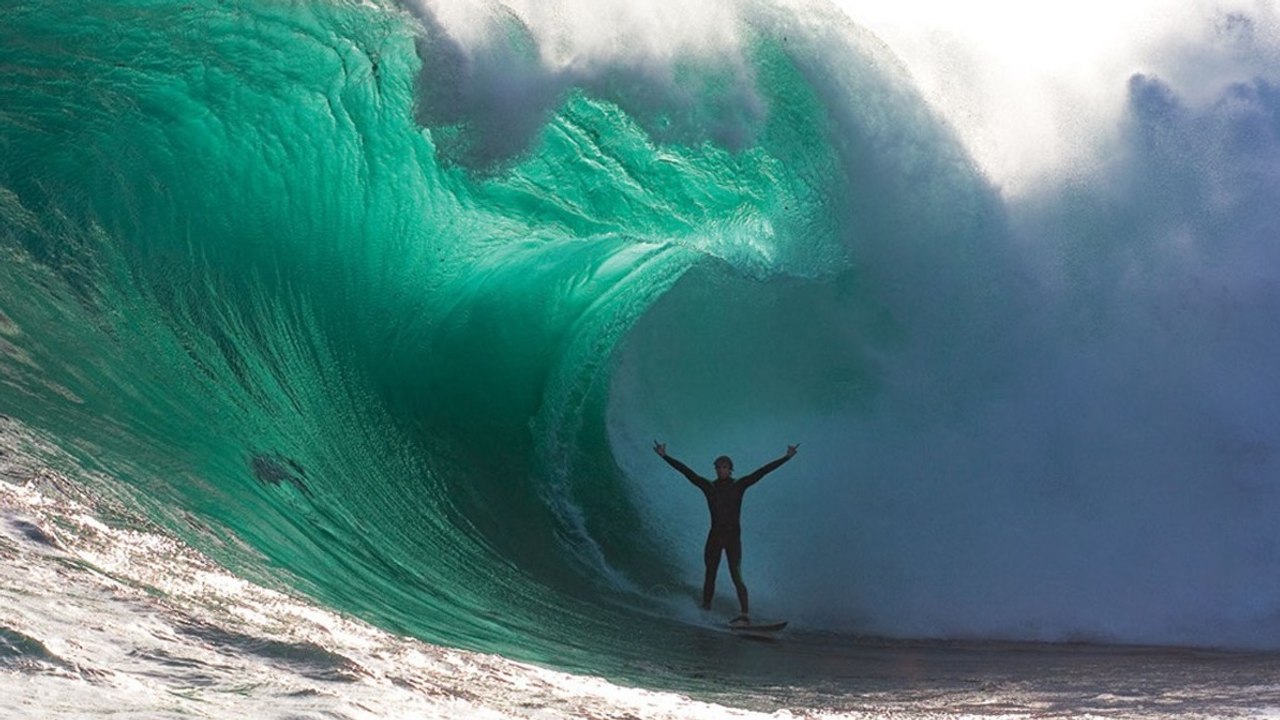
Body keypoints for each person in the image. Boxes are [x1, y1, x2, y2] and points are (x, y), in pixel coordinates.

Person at [653, 440, 799, 624]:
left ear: (731, 469)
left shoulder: (739, 485)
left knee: (736, 575)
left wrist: (786, 457)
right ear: (715, 469)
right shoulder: (709, 487)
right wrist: (665, 456)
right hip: (714, 538)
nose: (721, 470)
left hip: (732, 539)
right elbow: (686, 472)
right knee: (710, 574)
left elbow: (762, 471)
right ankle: (705, 610)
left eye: (725, 467)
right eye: (718, 467)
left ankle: (745, 615)